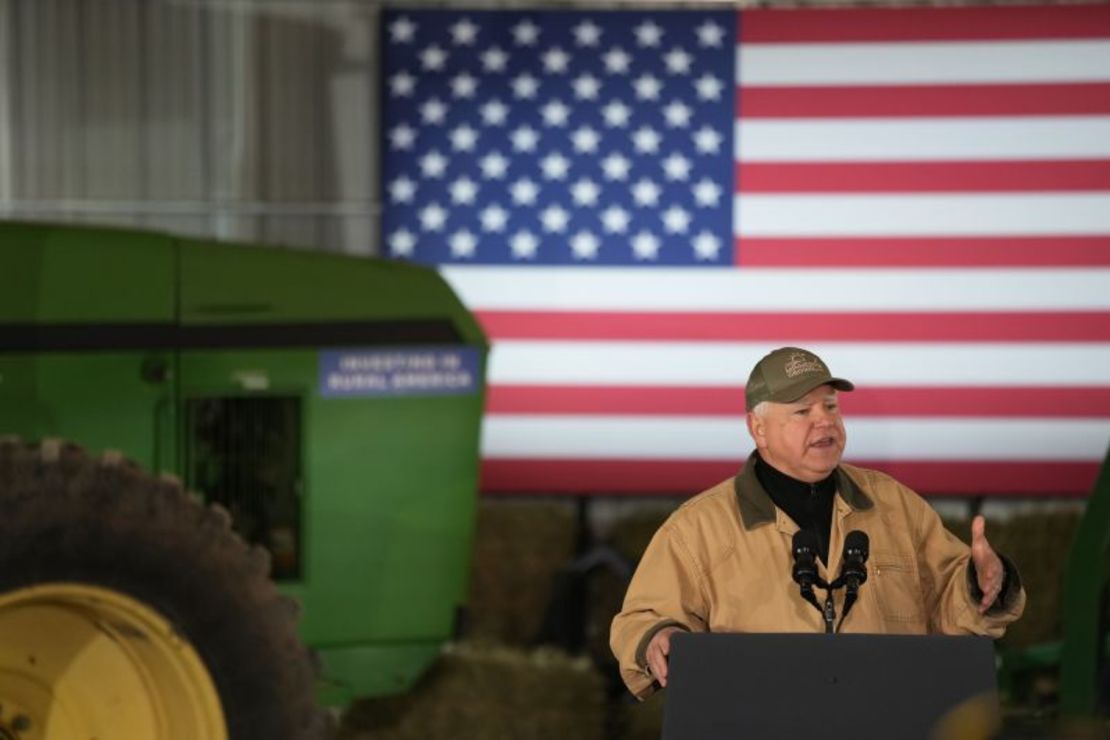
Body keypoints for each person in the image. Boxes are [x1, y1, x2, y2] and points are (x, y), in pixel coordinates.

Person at [609, 346, 1026, 699]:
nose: (824, 420)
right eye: (802, 410)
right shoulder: (698, 527)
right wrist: (656, 639)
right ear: (758, 428)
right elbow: (641, 619)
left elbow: (950, 605)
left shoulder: (894, 505)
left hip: (885, 715)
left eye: (830, 406)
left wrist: (983, 585)